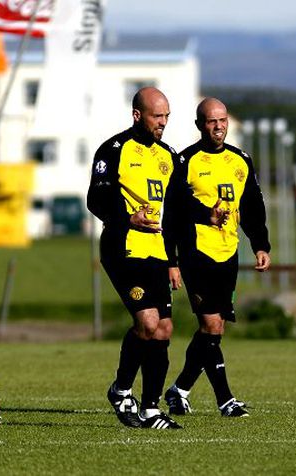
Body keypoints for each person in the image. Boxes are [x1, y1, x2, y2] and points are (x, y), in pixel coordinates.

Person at [163, 97, 271, 418]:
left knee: (215, 329)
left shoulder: (240, 160)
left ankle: (179, 390)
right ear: (199, 125)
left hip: (229, 254)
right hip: (197, 255)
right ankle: (226, 400)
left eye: (222, 120)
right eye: (211, 121)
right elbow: (172, 216)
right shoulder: (185, 162)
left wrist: (261, 245)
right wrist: (171, 261)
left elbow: (253, 207)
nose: (218, 126)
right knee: (210, 324)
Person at [87, 87, 182, 430]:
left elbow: (172, 214)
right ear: (137, 115)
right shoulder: (113, 150)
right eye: (158, 116)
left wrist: (173, 260)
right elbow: (95, 199)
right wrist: (128, 218)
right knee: (148, 322)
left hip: (157, 253)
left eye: (167, 116)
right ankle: (121, 388)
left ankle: (150, 409)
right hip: (123, 248)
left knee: (164, 329)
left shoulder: (169, 155)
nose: (163, 123)